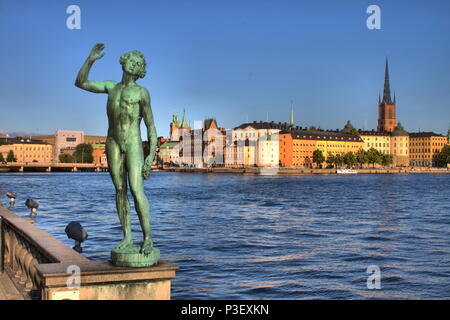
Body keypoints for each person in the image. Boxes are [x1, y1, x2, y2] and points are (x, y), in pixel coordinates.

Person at [75, 43, 157, 254]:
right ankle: (127, 237)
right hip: (112, 141)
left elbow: (150, 126)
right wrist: (91, 59)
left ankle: (148, 238)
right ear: (124, 63)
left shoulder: (142, 93)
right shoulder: (112, 88)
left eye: (137, 63)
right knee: (120, 190)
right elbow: (81, 82)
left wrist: (151, 156)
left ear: (140, 70)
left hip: (133, 143)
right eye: (130, 60)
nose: (132, 64)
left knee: (137, 190)